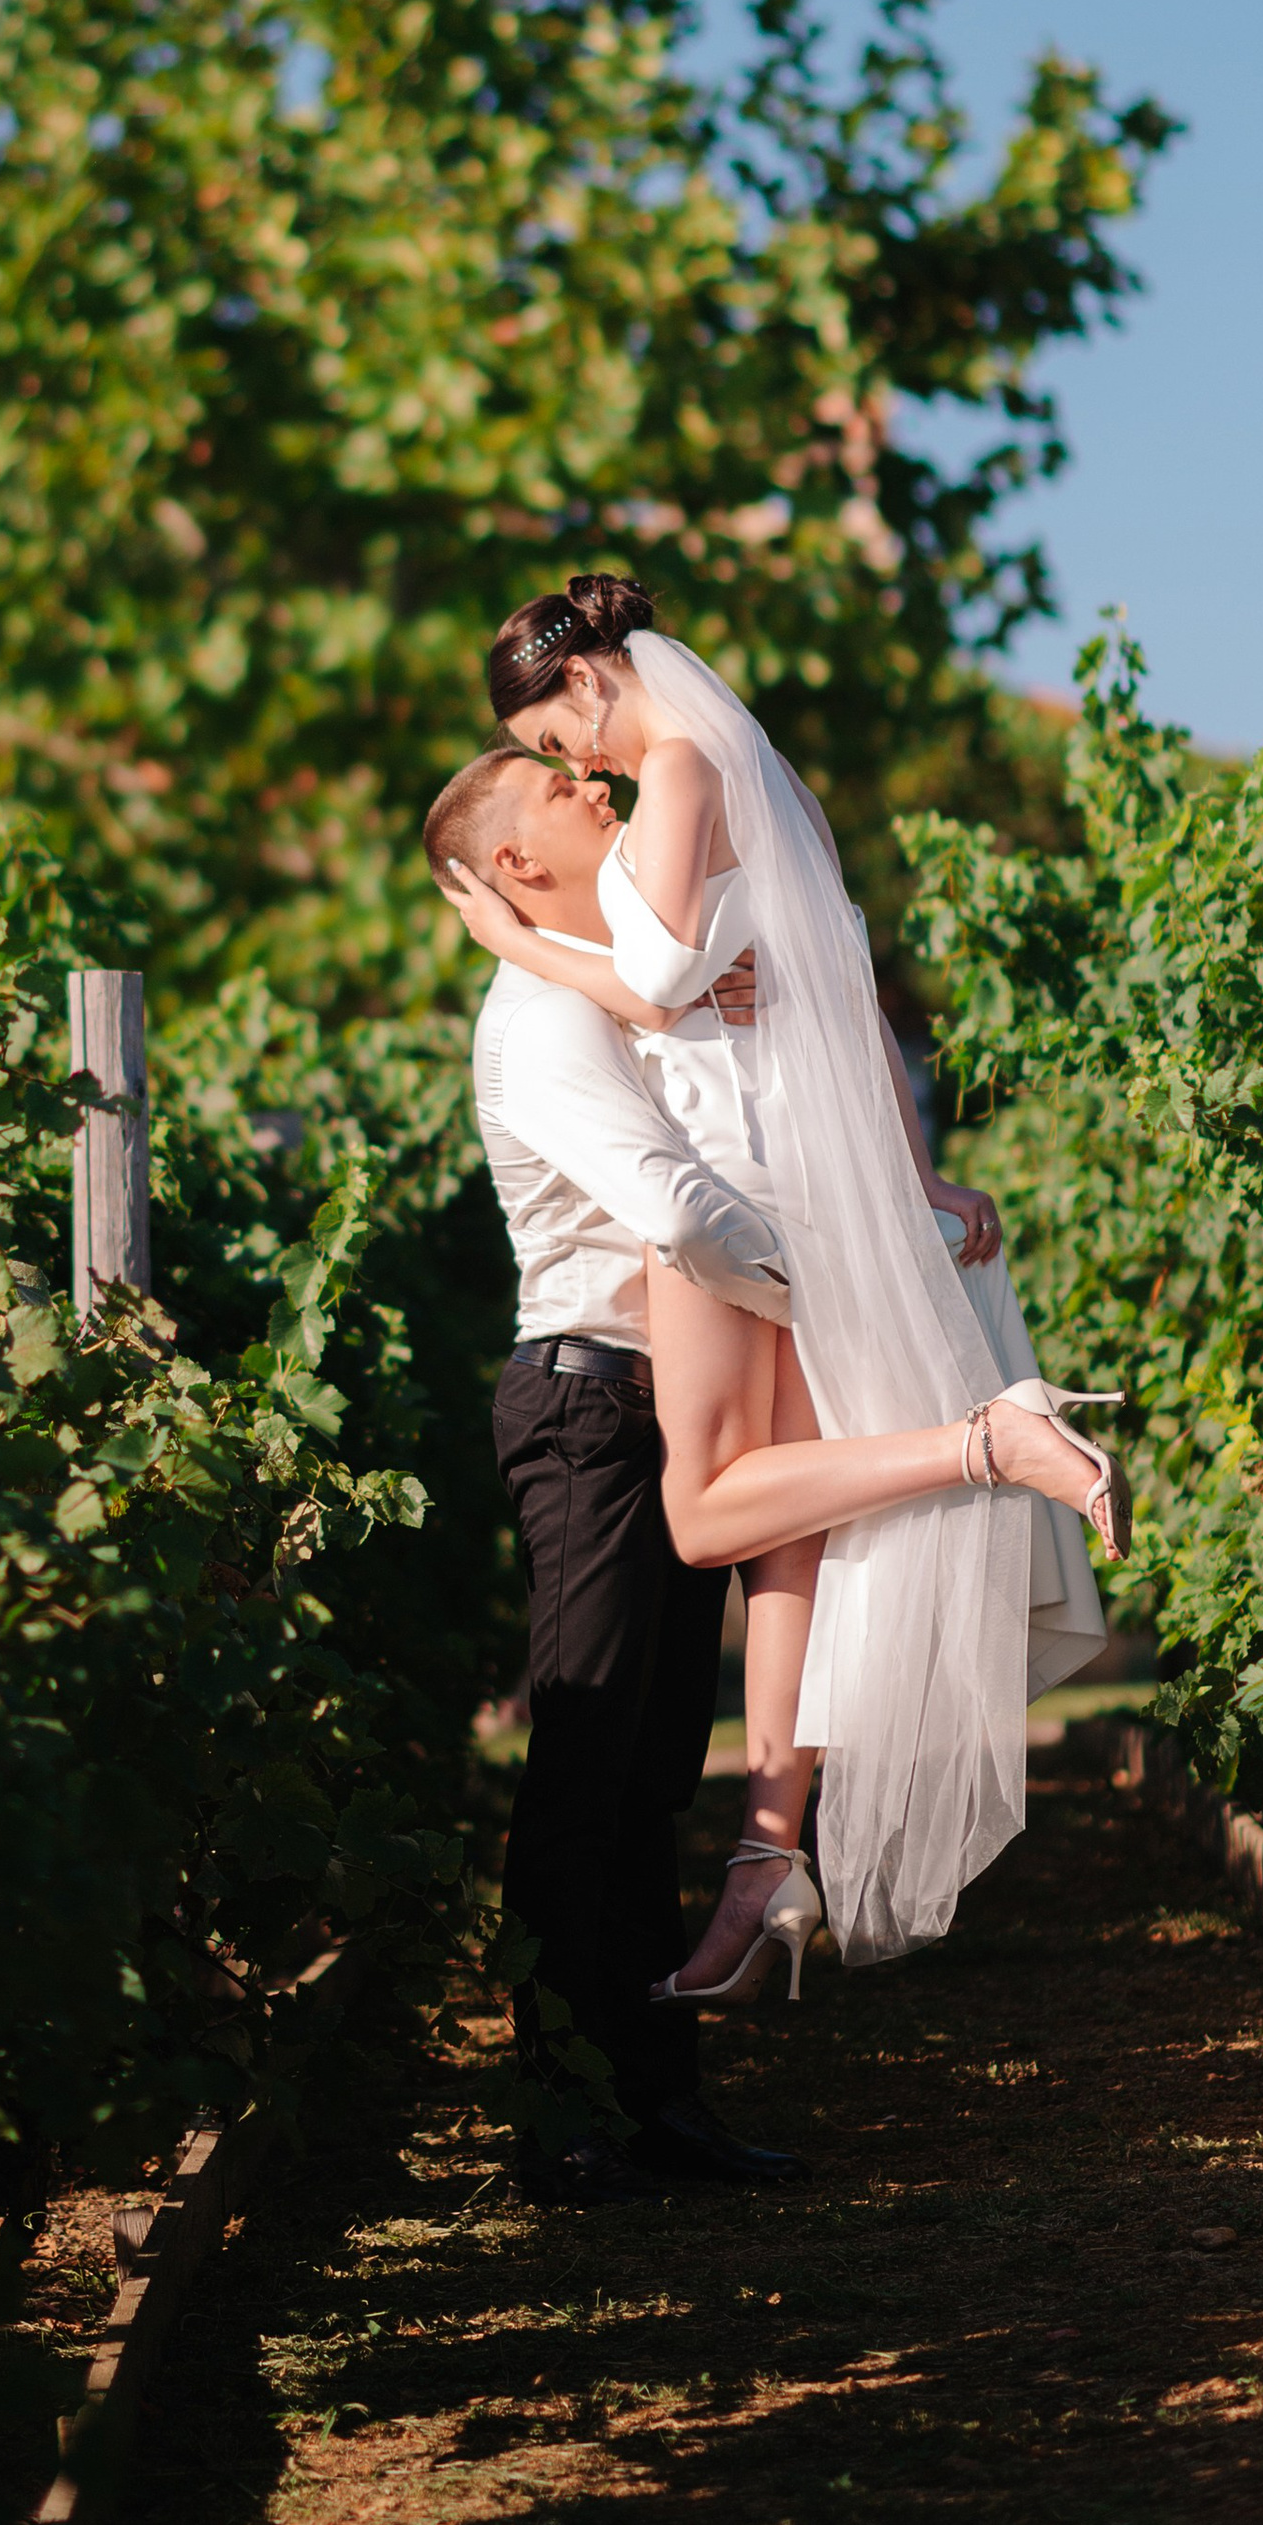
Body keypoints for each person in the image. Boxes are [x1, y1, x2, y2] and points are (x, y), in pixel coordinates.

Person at [439, 575, 1119, 1975]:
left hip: (729, 1178)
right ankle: (765, 1863)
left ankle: (986, 1439)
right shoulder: (750, 776)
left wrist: (521, 940)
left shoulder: (679, 764)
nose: (573, 770)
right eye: (556, 773)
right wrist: (909, 1165)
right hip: (798, 1166)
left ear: (584, 683)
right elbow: (839, 966)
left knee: (708, 1516)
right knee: (780, 1537)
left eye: (557, 743)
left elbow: (670, 978)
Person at [424, 742, 812, 2203]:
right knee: (584, 1772)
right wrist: (830, 1295)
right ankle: (558, 2118)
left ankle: (660, 2104)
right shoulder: (537, 1019)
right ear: (513, 865)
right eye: (561, 791)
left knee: (650, 1774)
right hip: (588, 1416)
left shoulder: (615, 994)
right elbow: (677, 1209)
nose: (599, 788)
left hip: (664, 1411)